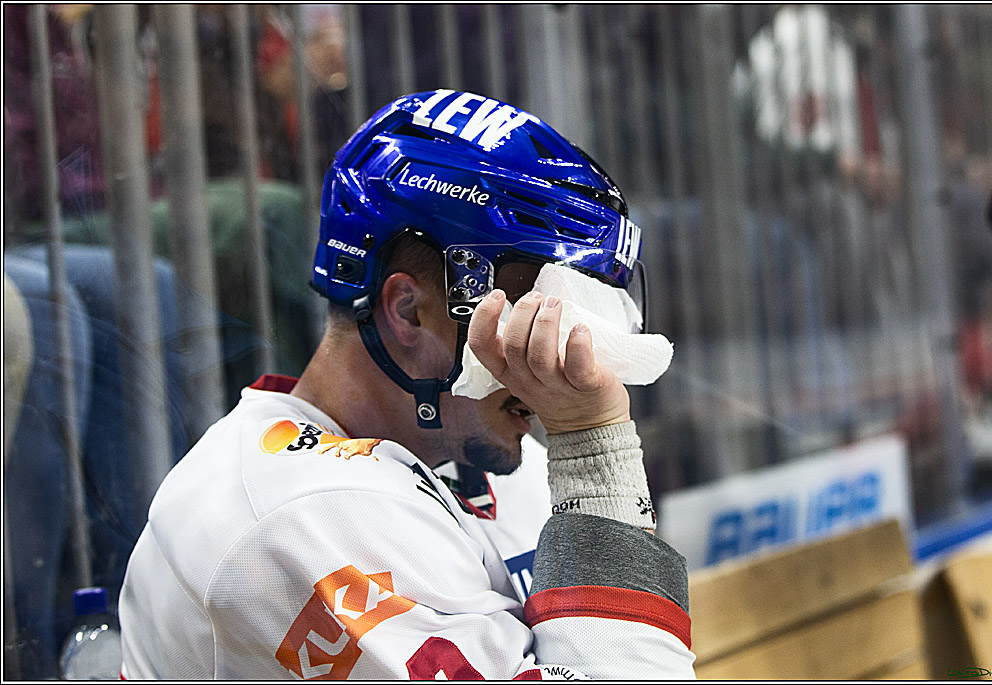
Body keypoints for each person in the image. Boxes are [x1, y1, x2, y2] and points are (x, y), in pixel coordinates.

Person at [118, 89, 695, 679]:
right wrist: (595, 449)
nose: (570, 352)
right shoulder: (298, 515)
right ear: (409, 310)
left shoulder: (466, 448)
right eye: (532, 312)